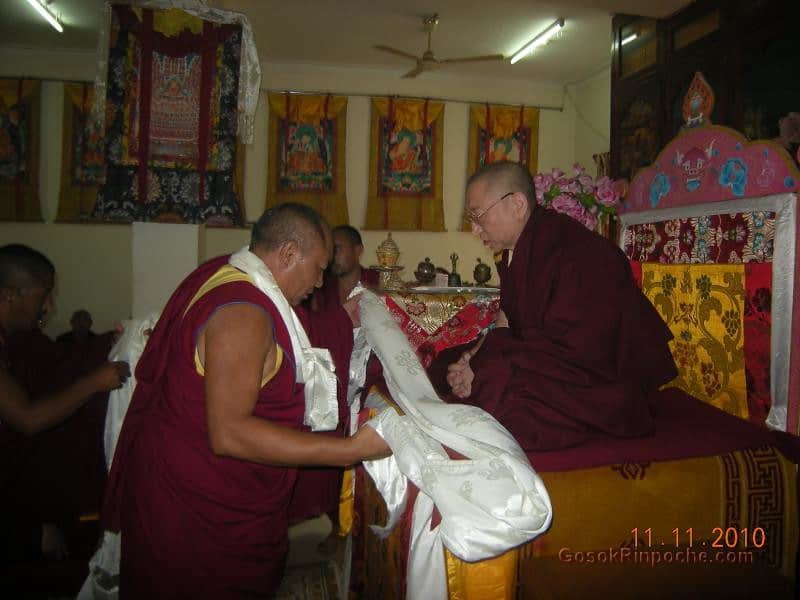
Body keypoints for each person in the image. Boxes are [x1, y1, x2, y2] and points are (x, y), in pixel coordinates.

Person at [103, 203, 390, 599]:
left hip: (192, 482)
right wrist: (347, 451)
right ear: (288, 254)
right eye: (319, 267)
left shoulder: (230, 274)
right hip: (196, 510)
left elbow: (296, 336)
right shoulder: (244, 313)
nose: (321, 282)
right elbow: (230, 434)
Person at [445, 161, 678, 451]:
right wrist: (473, 359)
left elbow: (583, 350)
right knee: (452, 361)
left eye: (478, 216)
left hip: (597, 381)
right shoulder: (514, 251)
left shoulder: (577, 251)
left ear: (517, 204)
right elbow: (509, 316)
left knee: (509, 402)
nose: (474, 229)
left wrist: (483, 368)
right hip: (554, 361)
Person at [0, 244, 129, 564]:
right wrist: (95, 382)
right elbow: (27, 419)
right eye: (43, 296)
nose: (48, 307)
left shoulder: (17, 342)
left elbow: (56, 364)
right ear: (9, 295)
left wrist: (106, 345)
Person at [290, 224, 378, 551]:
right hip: (327, 380)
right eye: (330, 251)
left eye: (339, 248)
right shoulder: (317, 289)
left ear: (358, 250)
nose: (333, 258)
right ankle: (326, 516)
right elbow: (310, 333)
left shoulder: (376, 285)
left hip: (365, 378)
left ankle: (357, 524)